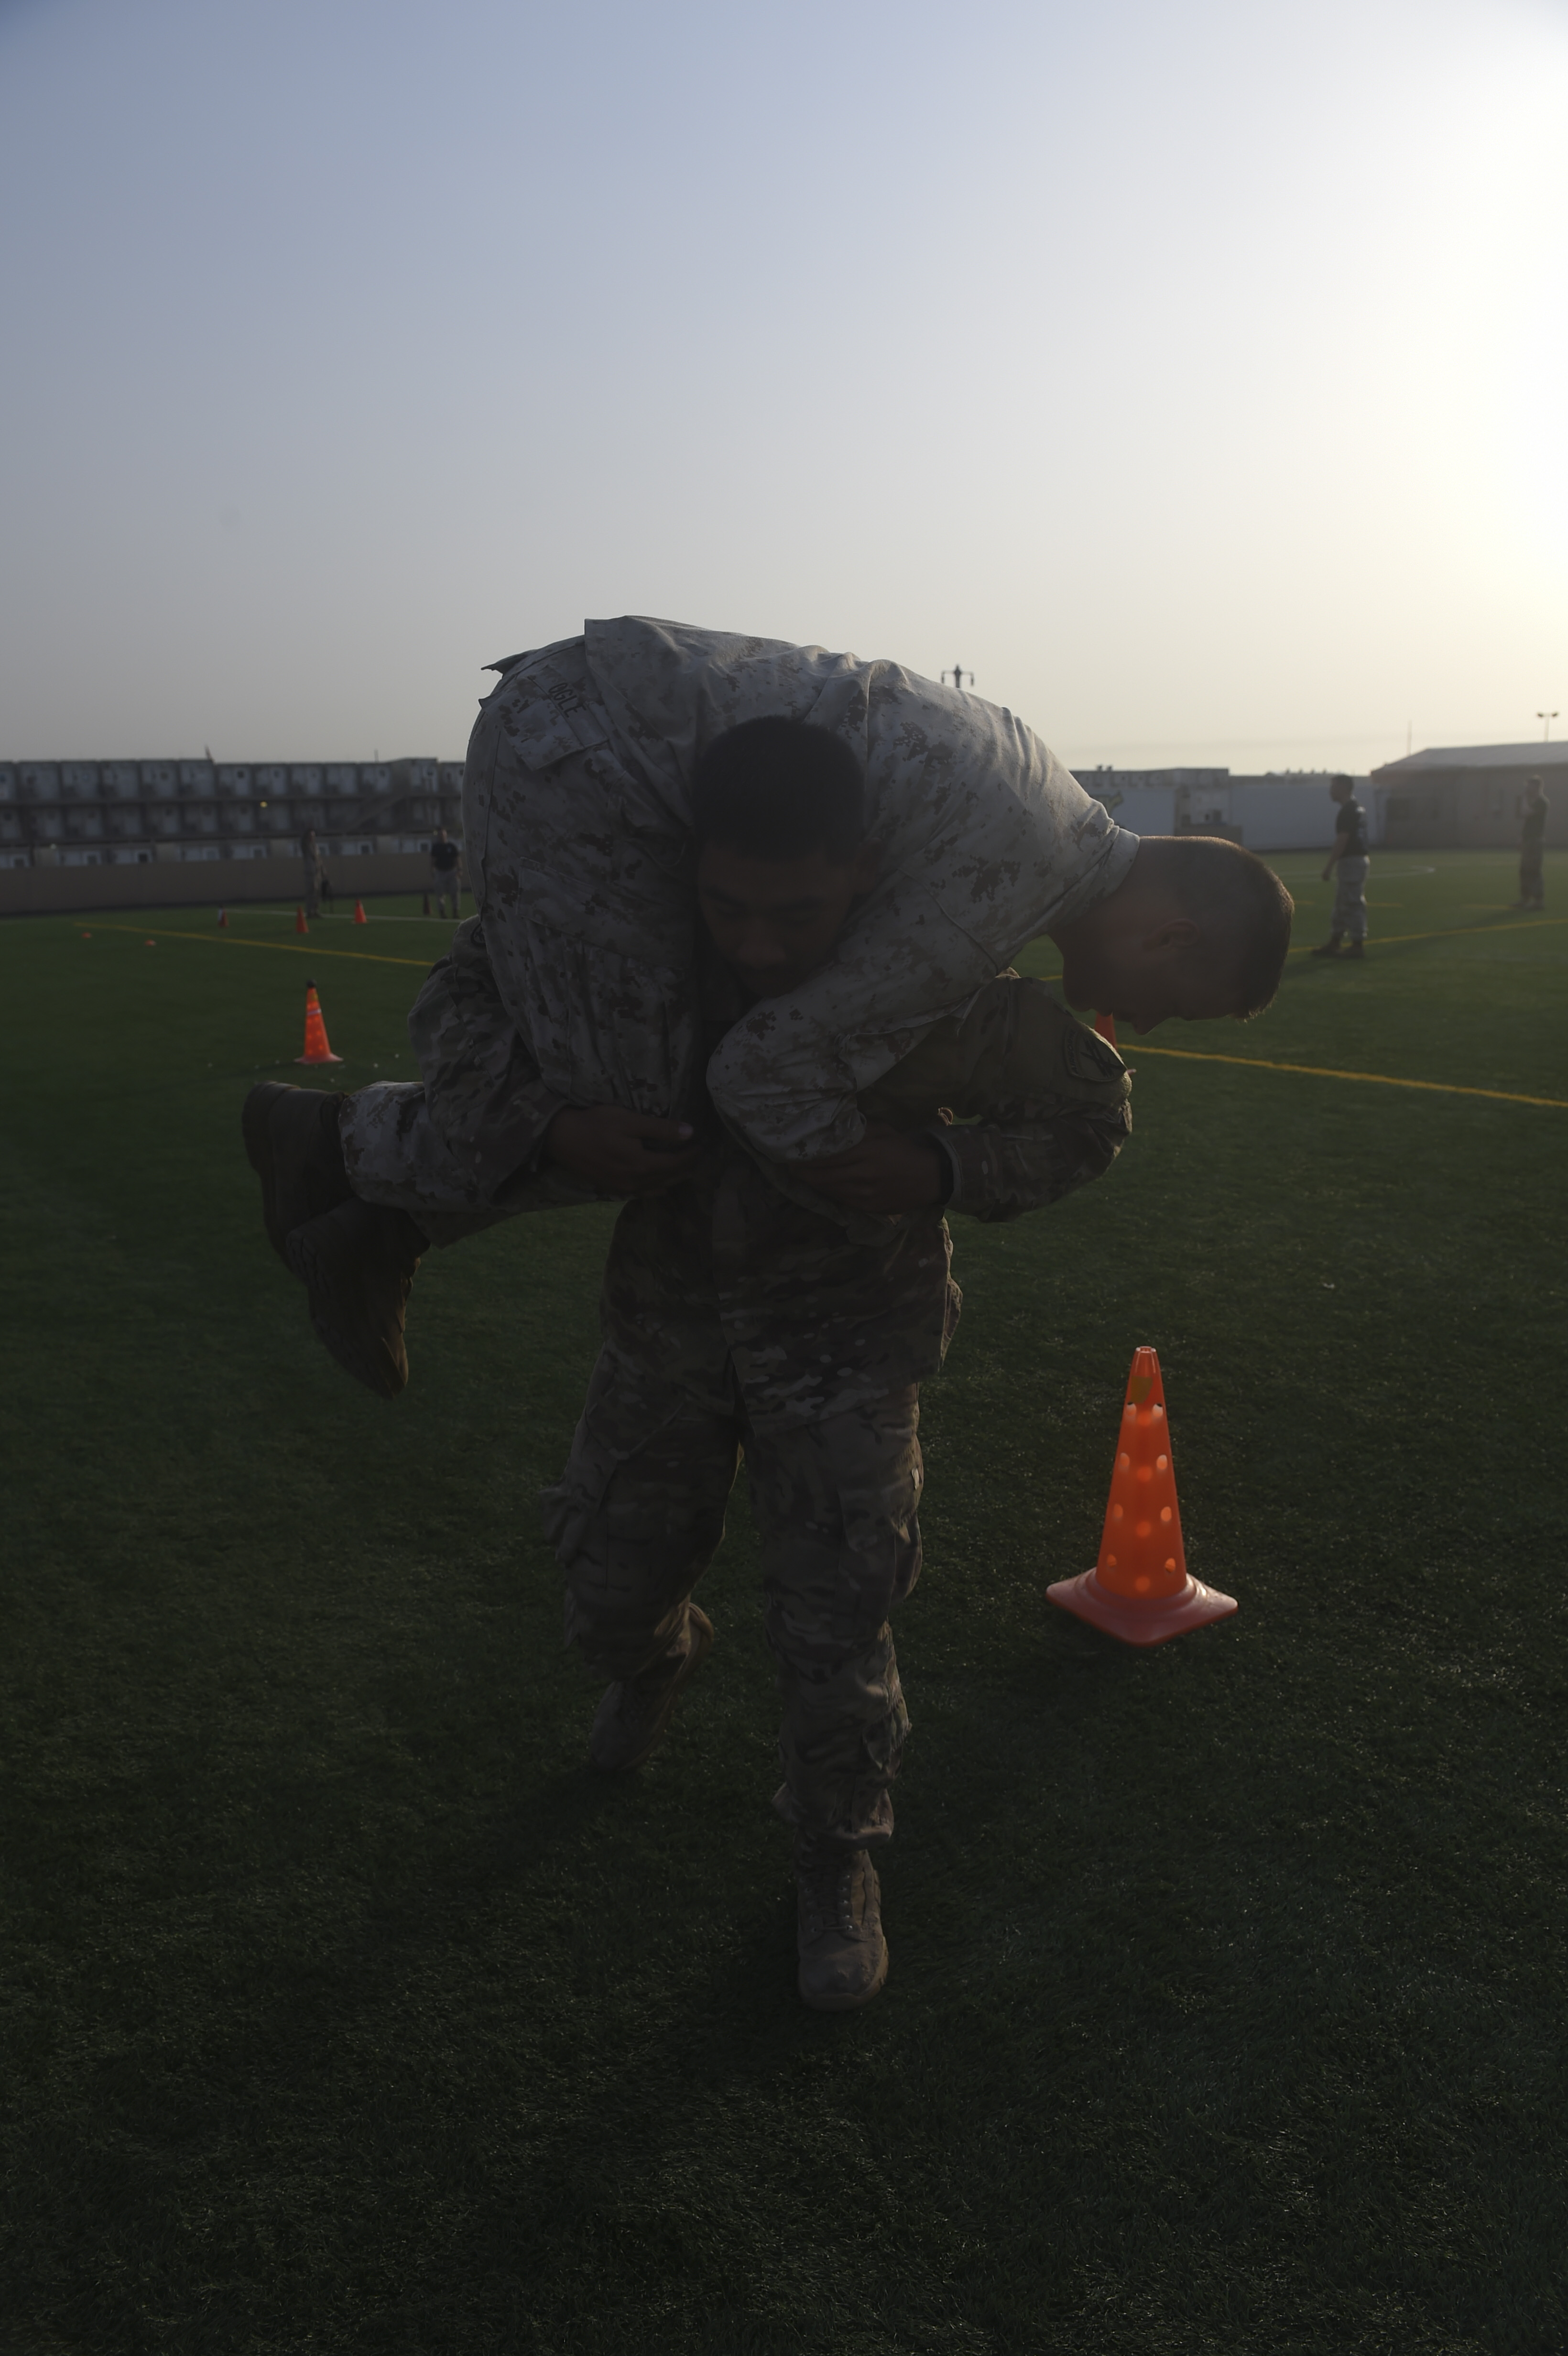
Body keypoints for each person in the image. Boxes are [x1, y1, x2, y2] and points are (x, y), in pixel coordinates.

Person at [242, 623, 1293, 2011]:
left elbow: (1090, 1116)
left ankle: (835, 1863)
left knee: (838, 1630)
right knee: (605, 1595)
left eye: (794, 917)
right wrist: (549, 1118)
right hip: (666, 1337)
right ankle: (656, 1659)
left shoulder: (951, 987)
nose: (759, 940)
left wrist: (941, 1166)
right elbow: (463, 996)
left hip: (848, 1354)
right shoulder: (636, 947)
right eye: (730, 907)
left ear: (862, 875)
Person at [1310, 775, 1370, 960]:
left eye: (1334, 786)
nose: (1331, 791)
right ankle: (1335, 941)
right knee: (1342, 902)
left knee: (1352, 902)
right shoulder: (1357, 808)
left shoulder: (1348, 811)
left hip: (1351, 861)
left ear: (1344, 787)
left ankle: (1357, 944)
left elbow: (1343, 840)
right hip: (1356, 860)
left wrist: (1329, 866)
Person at [1513, 775, 1548, 910]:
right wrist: (1521, 838)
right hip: (1528, 840)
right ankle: (1525, 898)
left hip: (1536, 841)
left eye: (1529, 785)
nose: (1527, 788)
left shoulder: (1542, 802)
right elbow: (1524, 820)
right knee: (1524, 870)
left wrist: (1523, 798)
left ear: (1536, 787)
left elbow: (1525, 813)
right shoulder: (1532, 802)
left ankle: (1538, 901)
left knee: (1534, 870)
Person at [429, 827, 462, 919]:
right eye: (440, 834)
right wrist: (432, 871)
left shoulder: (452, 846)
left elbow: (457, 859)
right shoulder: (436, 847)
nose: (442, 836)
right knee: (440, 894)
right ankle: (442, 913)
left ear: (446, 835)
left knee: (455, 892)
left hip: (452, 872)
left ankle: (455, 912)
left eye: (443, 834)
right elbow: (433, 860)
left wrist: (460, 870)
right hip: (440, 872)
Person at [300, 826, 327, 920]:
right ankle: (310, 912)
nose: (312, 838)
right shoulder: (306, 846)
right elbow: (303, 841)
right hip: (310, 873)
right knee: (311, 892)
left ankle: (316, 910)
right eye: (311, 836)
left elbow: (319, 859)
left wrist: (323, 870)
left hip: (317, 872)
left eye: (313, 836)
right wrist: (307, 830)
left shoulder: (316, 847)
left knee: (317, 893)